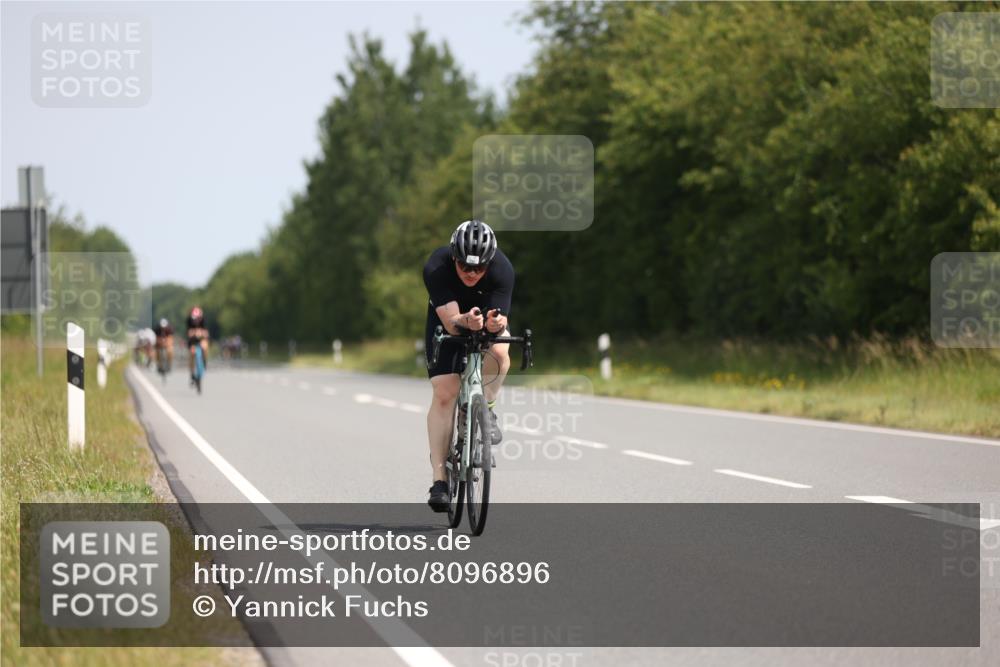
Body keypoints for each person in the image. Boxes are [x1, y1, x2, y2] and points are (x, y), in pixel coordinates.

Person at [422, 219, 514, 512]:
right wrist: (465, 321)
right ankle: (439, 479)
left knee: (500, 353)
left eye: (479, 268)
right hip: (446, 316)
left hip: (484, 313)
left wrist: (495, 323)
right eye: (465, 267)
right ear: (454, 257)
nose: (472, 273)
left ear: (490, 262)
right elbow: (451, 322)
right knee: (445, 392)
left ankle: (486, 409)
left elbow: (502, 320)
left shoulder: (503, 269)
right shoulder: (436, 267)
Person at [186, 306, 209, 383]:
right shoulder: (189, 320)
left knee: (205, 346)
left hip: (201, 339)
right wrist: (195, 332)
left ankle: (204, 360)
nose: (196, 320)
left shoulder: (203, 320)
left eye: (197, 318)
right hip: (192, 341)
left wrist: (201, 333)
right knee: (192, 353)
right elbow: (188, 332)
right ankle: (192, 373)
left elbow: (206, 333)